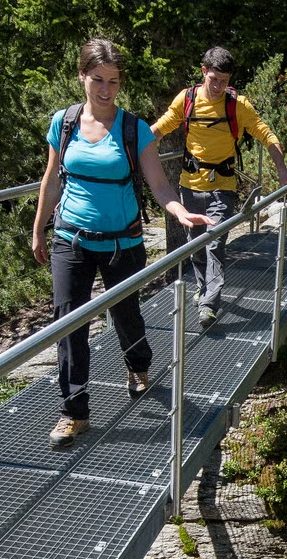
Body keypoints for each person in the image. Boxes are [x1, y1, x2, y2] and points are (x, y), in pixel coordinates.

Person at [33, 39, 197, 448]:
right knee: (69, 321)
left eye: (113, 82)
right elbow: (52, 180)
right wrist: (38, 229)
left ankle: (138, 364)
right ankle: (74, 411)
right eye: (97, 80)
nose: (106, 90)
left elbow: (158, 183)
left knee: (126, 314)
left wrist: (178, 211)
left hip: (122, 242)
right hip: (70, 238)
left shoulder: (133, 129)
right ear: (81, 77)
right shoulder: (64, 122)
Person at [151, 46, 287, 328]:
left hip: (223, 186)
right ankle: (202, 287)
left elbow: (265, 133)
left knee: (215, 242)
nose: (219, 86)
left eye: (225, 80)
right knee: (195, 244)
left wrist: (283, 170)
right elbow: (160, 129)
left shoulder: (238, 105)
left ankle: (209, 304)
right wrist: (132, 152)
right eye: (214, 79)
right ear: (203, 71)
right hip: (189, 184)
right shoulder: (187, 100)